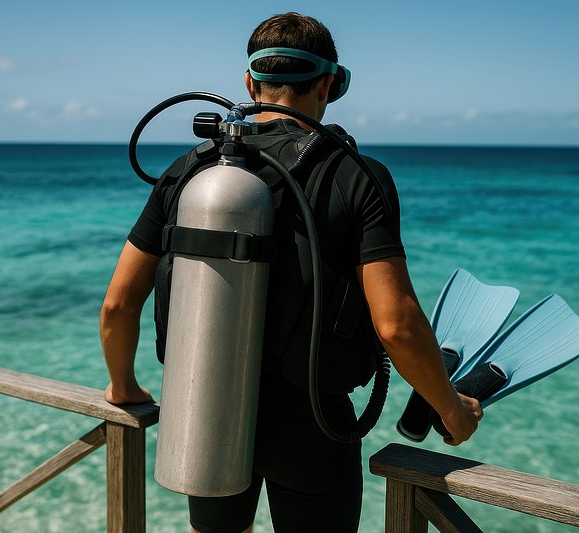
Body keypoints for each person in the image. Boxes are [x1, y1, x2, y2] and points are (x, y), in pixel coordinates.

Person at [100, 12, 482, 533]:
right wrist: (451, 410)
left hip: (204, 408)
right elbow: (396, 325)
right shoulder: (357, 175)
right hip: (311, 426)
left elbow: (119, 304)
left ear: (250, 83)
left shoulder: (193, 170)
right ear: (330, 85)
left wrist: (123, 386)